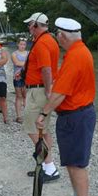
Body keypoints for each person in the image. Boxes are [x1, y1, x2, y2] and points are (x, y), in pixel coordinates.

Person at [36, 18, 96, 196]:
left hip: (76, 116)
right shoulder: (79, 52)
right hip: (76, 115)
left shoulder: (75, 56)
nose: (57, 39)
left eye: (57, 36)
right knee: (72, 163)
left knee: (77, 165)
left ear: (62, 36)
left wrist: (43, 113)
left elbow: (61, 93)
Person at [22, 12, 60, 182]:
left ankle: (49, 165)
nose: (29, 27)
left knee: (31, 127)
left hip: (38, 91)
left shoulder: (43, 43)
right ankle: (45, 166)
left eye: (30, 24)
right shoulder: (48, 40)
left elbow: (46, 69)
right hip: (38, 88)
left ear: (36, 25)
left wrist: (46, 90)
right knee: (43, 130)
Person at [11, 38, 28, 123]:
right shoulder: (14, 54)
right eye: (21, 44)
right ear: (18, 44)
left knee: (26, 96)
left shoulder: (28, 53)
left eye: (24, 44)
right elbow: (17, 63)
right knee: (18, 96)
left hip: (27, 77)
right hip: (17, 77)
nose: (22, 46)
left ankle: (28, 115)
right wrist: (27, 64)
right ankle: (18, 116)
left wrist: (26, 64)